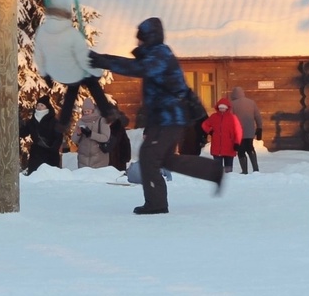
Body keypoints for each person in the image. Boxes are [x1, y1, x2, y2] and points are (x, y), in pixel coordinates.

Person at [89, 17, 223, 214]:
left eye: (141, 39)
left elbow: (138, 68)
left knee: (148, 157)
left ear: (150, 38)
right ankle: (212, 171)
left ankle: (157, 204)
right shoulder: (155, 54)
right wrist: (102, 58)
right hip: (166, 119)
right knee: (164, 160)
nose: (138, 43)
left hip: (168, 119)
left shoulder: (160, 54)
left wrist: (104, 61)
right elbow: (140, 69)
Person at [33, 0, 117, 132]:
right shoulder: (72, 34)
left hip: (56, 73)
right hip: (72, 73)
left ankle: (63, 121)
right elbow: (84, 60)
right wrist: (97, 72)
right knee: (91, 82)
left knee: (73, 88)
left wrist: (45, 74)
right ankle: (107, 112)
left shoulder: (42, 31)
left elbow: (39, 55)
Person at [19, 94, 63, 174]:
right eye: (38, 105)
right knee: (35, 176)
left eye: (42, 105)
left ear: (47, 107)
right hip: (36, 153)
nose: (39, 107)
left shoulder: (53, 121)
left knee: (50, 176)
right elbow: (23, 132)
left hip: (50, 153)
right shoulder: (32, 121)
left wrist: (54, 149)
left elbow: (59, 137)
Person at [202, 97, 243, 175]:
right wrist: (210, 131)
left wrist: (237, 142)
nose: (222, 110)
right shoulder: (214, 117)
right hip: (217, 147)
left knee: (228, 169)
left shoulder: (233, 118)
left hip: (229, 147)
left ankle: (228, 180)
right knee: (217, 169)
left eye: (223, 108)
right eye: (220, 108)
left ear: (227, 108)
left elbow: (238, 131)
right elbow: (204, 124)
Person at [228, 86, 263, 173]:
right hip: (250, 131)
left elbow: (230, 119)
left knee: (241, 151)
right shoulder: (252, 102)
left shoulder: (232, 104)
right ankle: (255, 168)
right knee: (250, 148)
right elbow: (258, 116)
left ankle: (244, 170)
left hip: (238, 132)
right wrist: (259, 127)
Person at [74, 98, 112, 169]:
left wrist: (91, 134)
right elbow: (74, 140)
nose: (86, 113)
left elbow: (106, 137)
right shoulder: (80, 121)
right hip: (83, 160)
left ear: (93, 110)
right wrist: (78, 134)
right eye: (85, 111)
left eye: (88, 111)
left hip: (99, 159)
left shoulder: (101, 120)